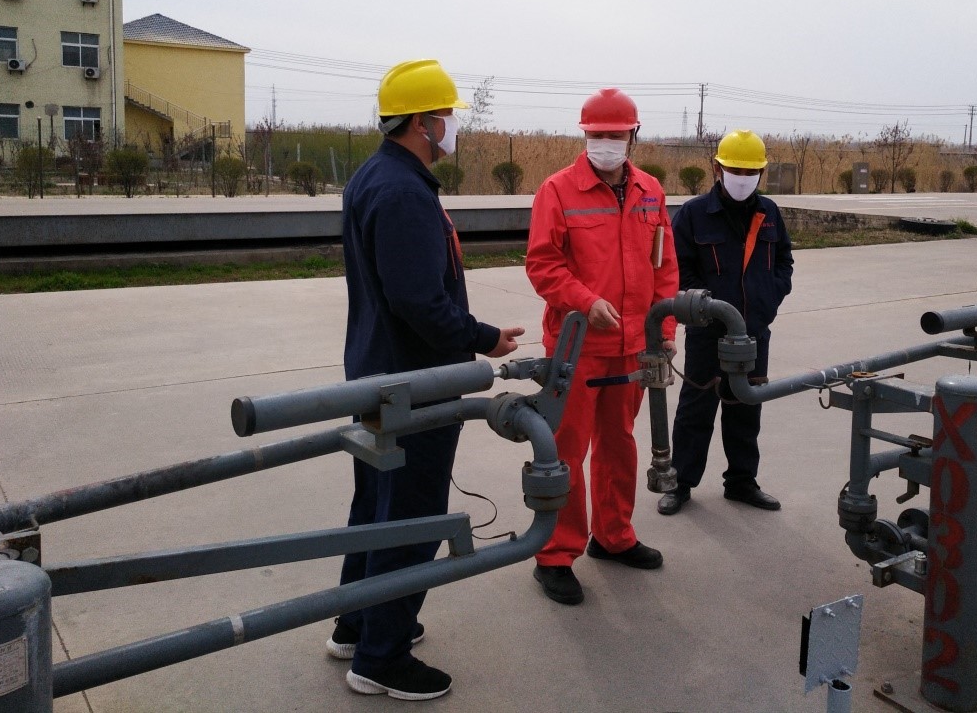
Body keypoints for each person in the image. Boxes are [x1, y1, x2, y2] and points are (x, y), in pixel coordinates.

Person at [328, 60, 524, 700]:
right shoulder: (405, 193)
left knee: (374, 508)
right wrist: (483, 338)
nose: (452, 127)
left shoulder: (374, 176)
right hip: (413, 383)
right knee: (411, 516)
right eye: (446, 116)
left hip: (377, 373)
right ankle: (381, 658)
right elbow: (419, 301)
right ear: (421, 122)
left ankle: (356, 624)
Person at [525, 88, 679, 605]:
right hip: (577, 348)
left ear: (634, 135)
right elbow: (542, 264)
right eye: (598, 134)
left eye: (616, 134)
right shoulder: (558, 190)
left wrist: (664, 331)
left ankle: (613, 536)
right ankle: (554, 554)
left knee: (619, 443)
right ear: (585, 135)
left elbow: (664, 267)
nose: (607, 142)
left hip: (632, 346)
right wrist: (585, 301)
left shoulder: (650, 192)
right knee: (565, 449)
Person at [658, 129, 793, 516]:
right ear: (717, 169)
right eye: (735, 170)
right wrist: (707, 308)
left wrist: (768, 300)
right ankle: (681, 483)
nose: (742, 178)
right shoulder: (694, 214)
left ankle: (741, 481)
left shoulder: (769, 214)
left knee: (746, 407)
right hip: (708, 334)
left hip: (754, 334)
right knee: (695, 410)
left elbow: (784, 263)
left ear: (761, 173)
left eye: (751, 172)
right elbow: (679, 269)